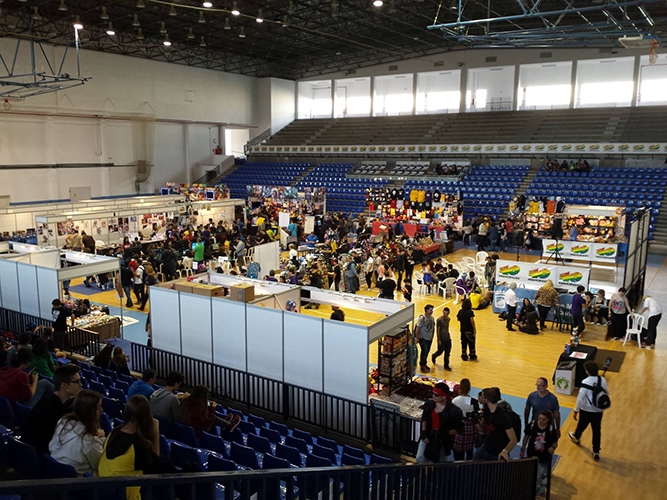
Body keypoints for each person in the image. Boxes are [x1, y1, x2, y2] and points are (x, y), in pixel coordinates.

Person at [99, 395, 176, 499]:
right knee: (165, 465)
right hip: (126, 494)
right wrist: (155, 432)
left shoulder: (114, 432)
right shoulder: (137, 444)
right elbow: (156, 466)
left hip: (108, 490)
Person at [21, 364, 82, 453]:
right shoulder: (53, 410)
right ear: (65, 385)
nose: (80, 384)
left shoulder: (46, 401)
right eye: (77, 382)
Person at [49, 390, 106, 477]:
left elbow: (51, 447)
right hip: (80, 479)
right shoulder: (89, 440)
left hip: (55, 471)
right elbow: (99, 464)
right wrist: (101, 439)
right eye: (98, 408)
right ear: (89, 411)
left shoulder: (63, 422)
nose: (101, 410)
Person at [569, 361, 609, 460]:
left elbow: (580, 398)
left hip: (586, 410)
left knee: (581, 425)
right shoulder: (602, 379)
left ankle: (576, 437)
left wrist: (576, 410)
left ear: (587, 371)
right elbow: (606, 392)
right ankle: (596, 451)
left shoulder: (585, 382)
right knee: (596, 430)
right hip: (598, 410)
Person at [416, 383, 463, 463]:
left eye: (436, 395)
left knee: (439, 463)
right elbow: (424, 419)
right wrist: (424, 433)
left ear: (444, 396)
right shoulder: (429, 404)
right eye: (433, 393)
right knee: (420, 459)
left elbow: (458, 429)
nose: (433, 396)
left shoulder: (455, 411)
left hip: (443, 442)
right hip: (427, 436)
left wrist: (444, 432)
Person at [520, 410, 559, 498]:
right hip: (532, 454)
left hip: (544, 457)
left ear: (548, 419)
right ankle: (530, 490)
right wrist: (523, 449)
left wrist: (553, 448)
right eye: (539, 418)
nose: (541, 421)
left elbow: (555, 442)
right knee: (530, 474)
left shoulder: (551, 429)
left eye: (543, 419)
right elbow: (526, 437)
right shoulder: (532, 425)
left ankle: (541, 492)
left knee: (542, 476)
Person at [474, 387, 518, 462]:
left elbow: (513, 440)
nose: (480, 399)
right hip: (486, 447)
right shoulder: (487, 411)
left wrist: (505, 451)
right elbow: (485, 430)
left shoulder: (503, 416)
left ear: (486, 400)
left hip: (497, 453)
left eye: (482, 397)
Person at [452, 378, 480, 461]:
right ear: (469, 388)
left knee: (458, 453)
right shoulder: (474, 400)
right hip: (471, 428)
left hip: (459, 428)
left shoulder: (455, 400)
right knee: (470, 450)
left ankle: (458, 466)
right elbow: (477, 414)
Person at [415, 305, 435, 372]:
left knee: (427, 351)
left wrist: (432, 336)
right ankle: (422, 364)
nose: (432, 311)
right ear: (426, 310)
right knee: (424, 351)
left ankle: (424, 363)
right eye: (431, 310)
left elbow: (433, 327)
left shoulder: (432, 318)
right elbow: (418, 328)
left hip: (429, 338)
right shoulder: (422, 318)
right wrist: (417, 338)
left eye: (432, 310)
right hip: (423, 338)